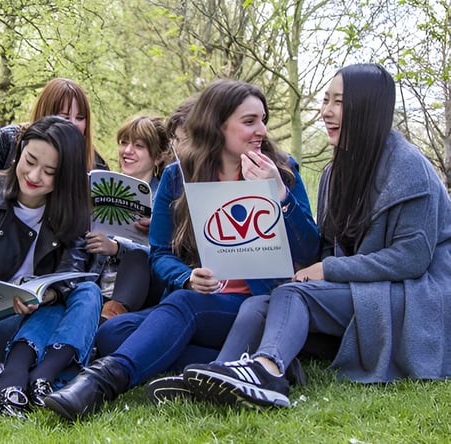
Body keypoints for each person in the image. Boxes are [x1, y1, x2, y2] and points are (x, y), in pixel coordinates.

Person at [42, 79, 321, 421]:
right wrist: (188, 276)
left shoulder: (281, 168)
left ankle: (99, 384)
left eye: (262, 119)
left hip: (259, 303)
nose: (261, 130)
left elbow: (310, 249)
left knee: (182, 306)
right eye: (249, 122)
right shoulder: (178, 176)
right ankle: (252, 363)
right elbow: (159, 253)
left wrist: (279, 196)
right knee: (113, 332)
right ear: (217, 125)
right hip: (205, 296)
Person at [181, 64, 451, 409]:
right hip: (364, 289)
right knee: (257, 304)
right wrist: (278, 200)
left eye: (338, 101)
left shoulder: (410, 168)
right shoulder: (334, 173)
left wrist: (328, 270)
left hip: (416, 294)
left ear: (367, 107)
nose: (326, 111)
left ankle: (267, 372)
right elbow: (324, 246)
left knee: (296, 295)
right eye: (325, 100)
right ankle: (221, 374)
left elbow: (411, 259)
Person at [0, 116, 102, 418]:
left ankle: (27, 380)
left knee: (88, 291)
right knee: (66, 312)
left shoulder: (74, 210)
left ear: (65, 177)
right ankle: (32, 376)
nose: (34, 175)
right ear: (20, 152)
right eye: (29, 160)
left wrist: (45, 296)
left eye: (50, 172)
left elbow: (72, 274)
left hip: (37, 318)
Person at [86, 115, 171, 321]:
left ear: (158, 157)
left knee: (137, 257)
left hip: (145, 286)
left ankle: (110, 317)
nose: (127, 151)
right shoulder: (104, 186)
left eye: (139, 146)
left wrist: (116, 248)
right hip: (97, 279)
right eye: (124, 143)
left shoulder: (167, 197)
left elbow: (169, 254)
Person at [0, 77, 108, 175]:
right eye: (64, 117)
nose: (72, 124)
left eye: (80, 118)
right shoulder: (9, 139)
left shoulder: (96, 163)